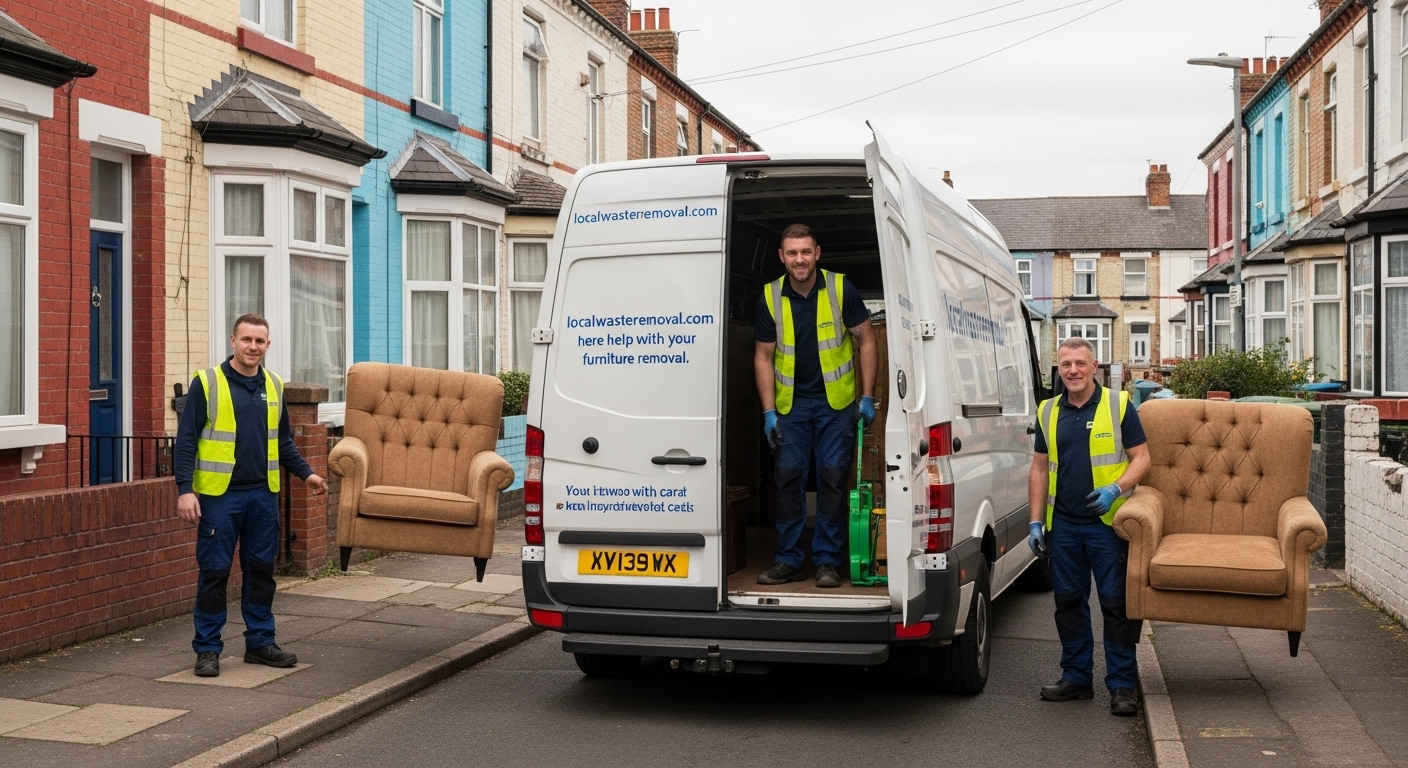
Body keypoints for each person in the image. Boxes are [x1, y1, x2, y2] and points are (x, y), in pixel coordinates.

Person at [174, 314, 327, 677]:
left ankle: (260, 643)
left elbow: (283, 441)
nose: (253, 347)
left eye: (259, 341)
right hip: (219, 497)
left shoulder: (273, 385)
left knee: (261, 571)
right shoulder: (207, 383)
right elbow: (186, 442)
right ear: (233, 340)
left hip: (262, 495)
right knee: (215, 572)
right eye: (246, 340)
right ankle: (208, 649)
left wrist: (307, 474)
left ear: (268, 345)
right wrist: (184, 490)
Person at [1027, 337, 1150, 716]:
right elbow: (1038, 468)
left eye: (1080, 363)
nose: (1073, 371)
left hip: (1106, 526)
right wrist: (1034, 521)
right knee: (1068, 604)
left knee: (1115, 605)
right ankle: (1077, 678)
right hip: (1062, 525)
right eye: (1066, 365)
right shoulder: (1047, 410)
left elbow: (1142, 458)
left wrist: (1117, 489)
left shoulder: (1119, 404)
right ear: (1058, 369)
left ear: (1094, 366)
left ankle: (1122, 685)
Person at [753, 223, 878, 588]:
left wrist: (867, 396)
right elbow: (763, 357)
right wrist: (767, 412)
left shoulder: (841, 288)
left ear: (817, 253)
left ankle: (827, 561)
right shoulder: (770, 296)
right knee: (788, 481)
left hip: (835, 405)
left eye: (805, 251)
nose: (799, 259)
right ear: (782, 257)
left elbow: (866, 340)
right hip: (790, 407)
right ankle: (789, 560)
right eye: (792, 253)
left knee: (833, 480)